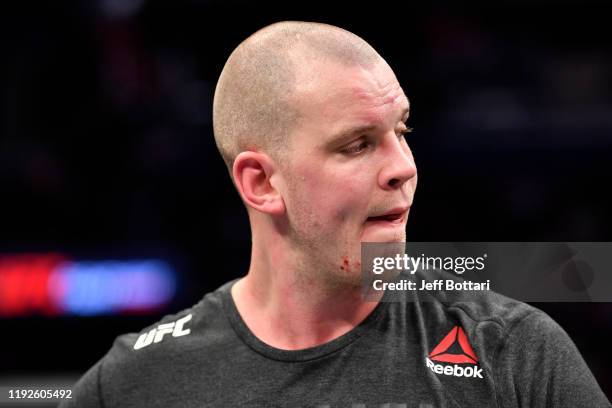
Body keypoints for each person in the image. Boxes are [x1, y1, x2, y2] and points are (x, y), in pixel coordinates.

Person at [62, 21, 610, 407]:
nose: (404, 168)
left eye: (403, 131)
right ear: (262, 182)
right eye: (357, 144)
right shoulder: (140, 383)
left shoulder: (511, 350)